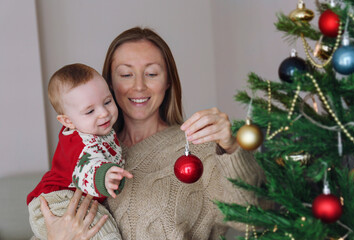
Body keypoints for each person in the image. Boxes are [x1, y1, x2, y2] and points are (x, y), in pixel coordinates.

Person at [39, 27, 264, 240]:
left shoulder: (200, 148)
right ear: (108, 84)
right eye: (126, 74)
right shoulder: (87, 149)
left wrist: (231, 148)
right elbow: (51, 209)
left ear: (168, 81)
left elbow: (255, 219)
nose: (139, 86)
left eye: (151, 73)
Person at [27, 63, 133, 240]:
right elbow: (87, 166)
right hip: (56, 200)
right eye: (90, 111)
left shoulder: (97, 129)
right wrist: (105, 177)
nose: (104, 113)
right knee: (106, 233)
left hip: (74, 198)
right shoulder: (79, 142)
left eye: (107, 101)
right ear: (68, 121)